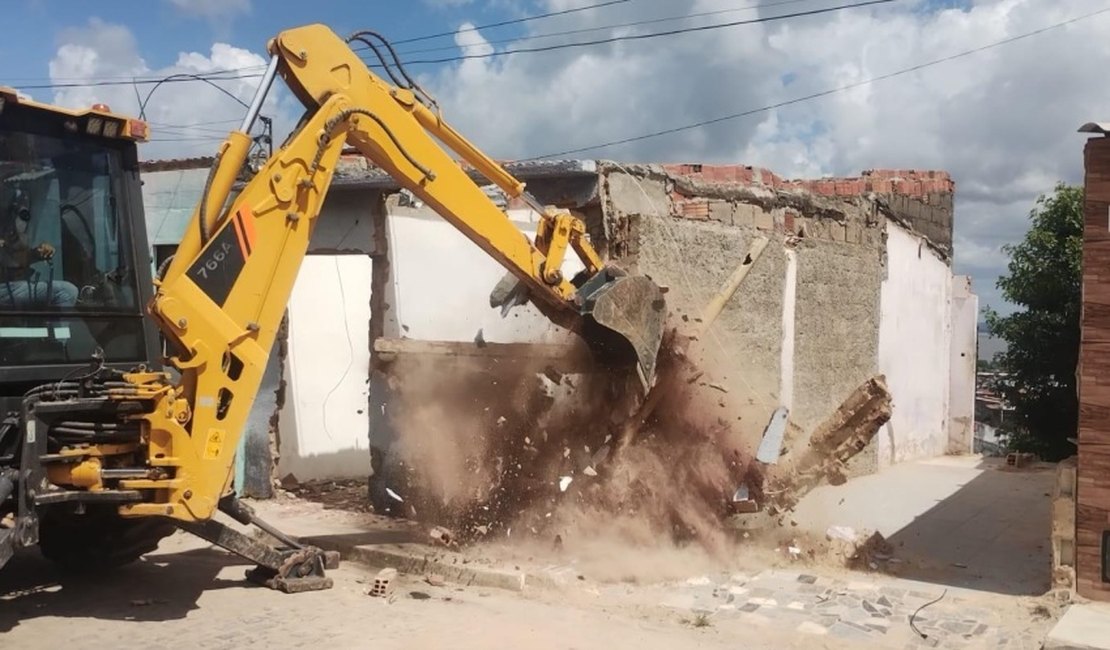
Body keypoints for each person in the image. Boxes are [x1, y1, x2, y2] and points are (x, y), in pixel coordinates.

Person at [0, 190, 79, 308]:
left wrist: (38, 253)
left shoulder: (17, 233)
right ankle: (57, 326)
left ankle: (51, 326)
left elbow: (16, 259)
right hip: (5, 288)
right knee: (66, 292)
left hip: (14, 286)